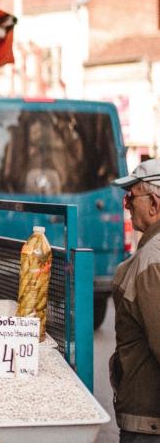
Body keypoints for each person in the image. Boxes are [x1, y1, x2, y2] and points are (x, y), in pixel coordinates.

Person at [110, 158, 160, 442]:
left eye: (131, 196)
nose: (126, 204)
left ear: (154, 203)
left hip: (148, 424)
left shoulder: (152, 258)